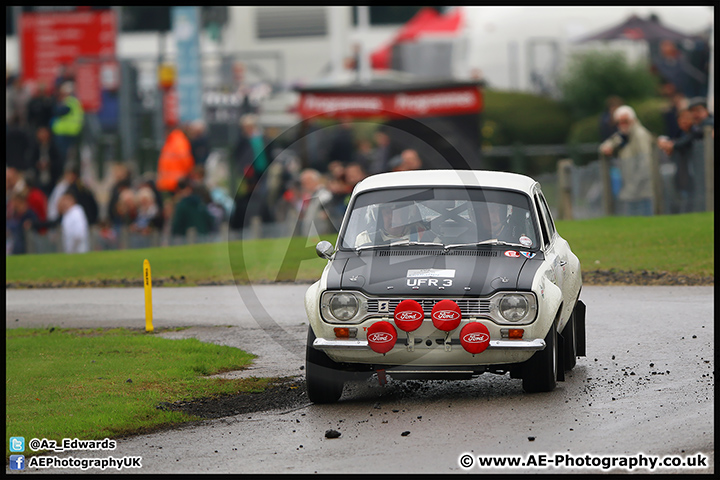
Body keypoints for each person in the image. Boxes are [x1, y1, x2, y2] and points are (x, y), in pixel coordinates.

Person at [599, 106, 654, 216]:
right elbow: (605, 145)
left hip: (643, 190)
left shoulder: (640, 134)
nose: (622, 125)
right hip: (631, 190)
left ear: (633, 120)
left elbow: (646, 163)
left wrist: (632, 187)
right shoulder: (623, 136)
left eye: (625, 121)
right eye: (619, 122)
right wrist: (608, 148)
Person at [355, 202, 439, 247]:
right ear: (379, 218)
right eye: (387, 213)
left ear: (406, 215)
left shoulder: (426, 235)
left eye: (398, 213)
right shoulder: (366, 239)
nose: (393, 218)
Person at [51, 82, 84, 167]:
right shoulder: (75, 101)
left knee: (62, 156)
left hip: (65, 132)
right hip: (72, 132)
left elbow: (59, 112)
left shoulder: (69, 101)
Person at [156, 125, 195, 194]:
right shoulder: (181, 142)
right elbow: (186, 161)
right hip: (177, 182)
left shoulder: (170, 141)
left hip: (168, 182)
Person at [29, 126, 63, 197]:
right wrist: (37, 165)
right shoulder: (34, 147)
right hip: (38, 179)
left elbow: (59, 162)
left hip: (51, 180)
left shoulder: (54, 147)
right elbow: (30, 161)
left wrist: (49, 164)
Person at [7, 190, 39, 255]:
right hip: (14, 243)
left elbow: (37, 224)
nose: (13, 204)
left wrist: (30, 223)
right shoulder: (14, 213)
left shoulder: (29, 213)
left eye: (14, 201)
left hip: (27, 244)